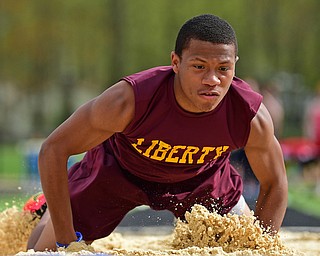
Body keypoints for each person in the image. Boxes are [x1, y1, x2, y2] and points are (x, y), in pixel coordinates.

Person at [27, 14, 288, 251]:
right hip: (118, 173)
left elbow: (275, 182)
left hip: (203, 181)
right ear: (175, 62)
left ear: (235, 65)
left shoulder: (249, 116)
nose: (212, 80)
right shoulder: (128, 100)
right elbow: (53, 149)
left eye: (223, 68)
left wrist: (261, 244)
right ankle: (49, 212)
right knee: (45, 250)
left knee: (242, 242)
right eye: (198, 67)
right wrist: (66, 240)